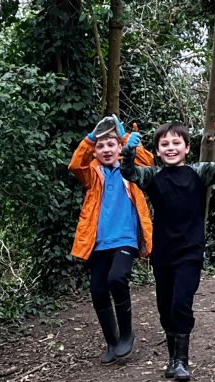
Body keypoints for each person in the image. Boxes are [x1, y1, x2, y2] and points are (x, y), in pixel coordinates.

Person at [120, 121, 215, 382]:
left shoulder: (199, 172)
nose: (171, 148)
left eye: (176, 143)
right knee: (165, 307)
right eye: (164, 144)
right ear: (158, 150)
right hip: (163, 253)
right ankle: (173, 359)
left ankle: (183, 363)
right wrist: (128, 150)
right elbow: (128, 171)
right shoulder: (152, 176)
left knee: (181, 303)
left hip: (191, 251)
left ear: (187, 147)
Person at [68, 115, 153, 365]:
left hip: (125, 239)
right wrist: (90, 138)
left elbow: (147, 162)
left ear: (119, 148)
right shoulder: (93, 174)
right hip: (98, 242)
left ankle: (126, 334)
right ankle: (112, 342)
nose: (106, 149)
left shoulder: (130, 170)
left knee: (117, 278)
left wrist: (126, 138)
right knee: (97, 290)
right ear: (95, 151)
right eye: (101, 146)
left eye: (111, 144)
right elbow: (75, 165)